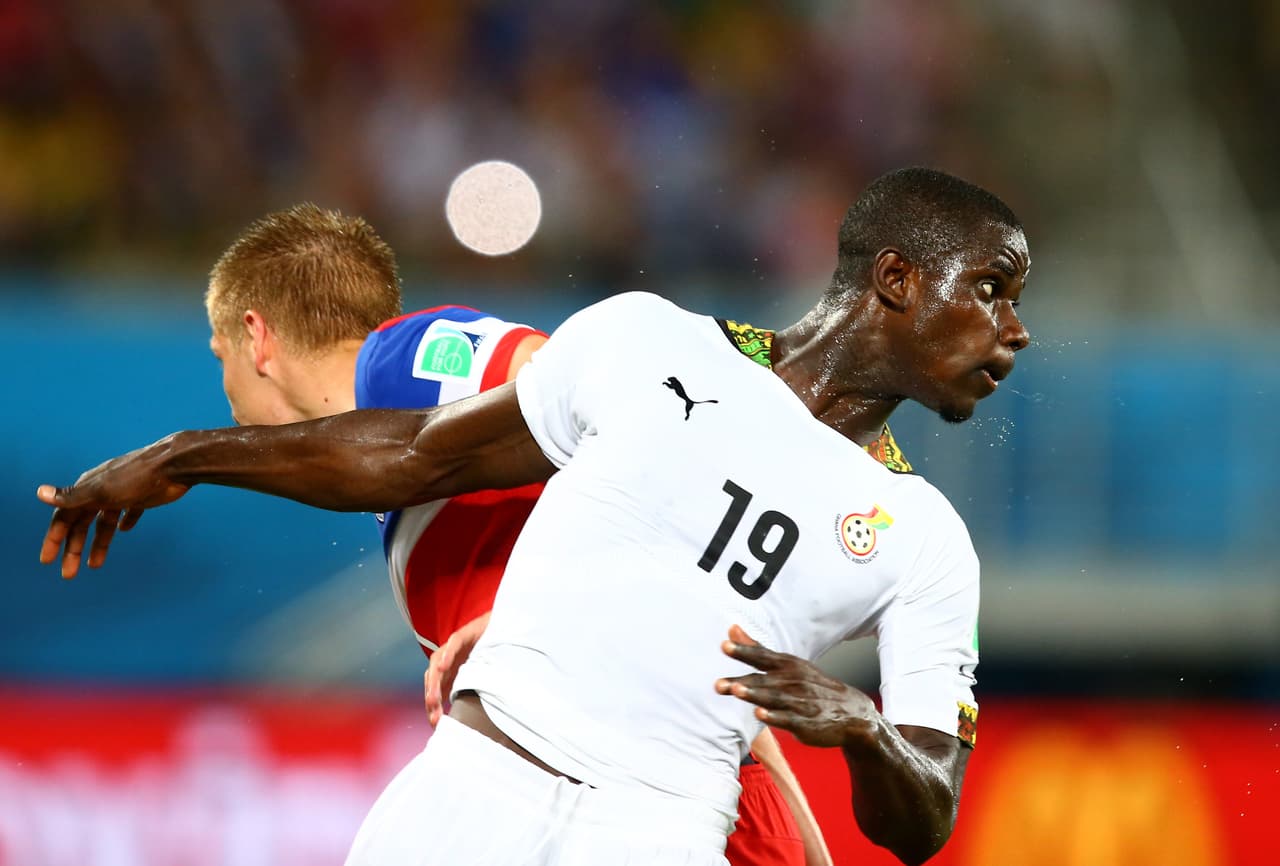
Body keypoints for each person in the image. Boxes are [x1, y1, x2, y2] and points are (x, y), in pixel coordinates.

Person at [38, 167, 1031, 865]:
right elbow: (413, 451)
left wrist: (858, 727)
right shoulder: (646, 342)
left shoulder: (923, 538)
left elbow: (924, 813)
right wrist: (183, 455)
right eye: (990, 291)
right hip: (474, 786)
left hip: (661, 835)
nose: (1013, 331)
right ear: (894, 279)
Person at [201, 203, 831, 866]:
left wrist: (532, 612)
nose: (226, 393)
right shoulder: (408, 460)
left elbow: (621, 405)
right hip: (669, 774)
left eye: (222, 359)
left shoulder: (400, 361)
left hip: (630, 784)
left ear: (257, 338)